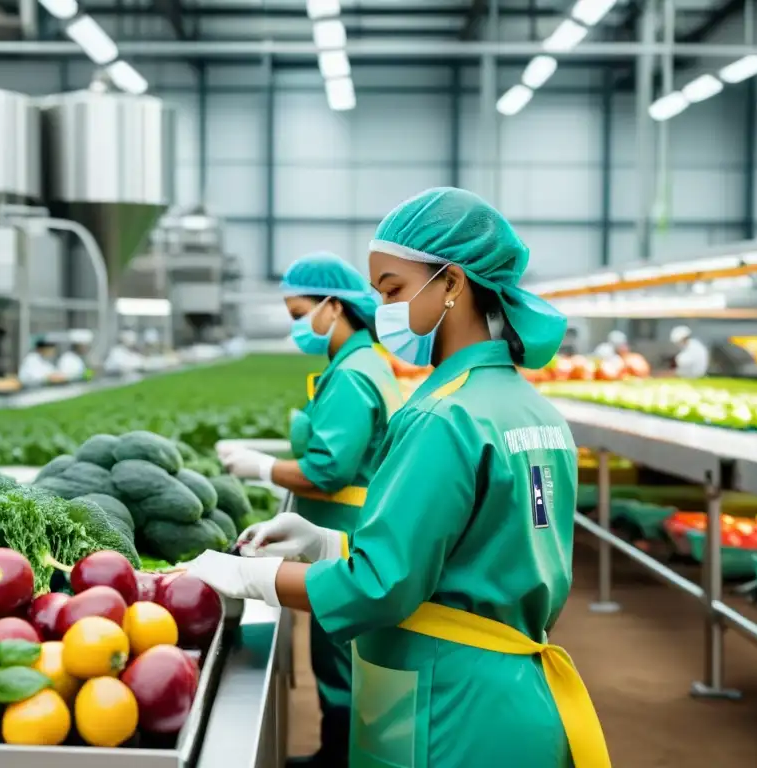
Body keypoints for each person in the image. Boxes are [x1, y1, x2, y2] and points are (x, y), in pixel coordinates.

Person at [185, 188, 611, 768]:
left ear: (453, 284)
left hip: (448, 708)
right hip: (509, 700)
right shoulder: (533, 411)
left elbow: (380, 588)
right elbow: (474, 552)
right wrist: (329, 544)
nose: (382, 309)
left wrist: (248, 576)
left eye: (393, 289)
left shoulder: (444, 415)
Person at [216, 251, 404, 767]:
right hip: (348, 524)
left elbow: (328, 471)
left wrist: (259, 467)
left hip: (345, 525)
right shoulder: (361, 362)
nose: (298, 326)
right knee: (343, 655)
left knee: (341, 657)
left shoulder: (352, 375)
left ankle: (337, 760)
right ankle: (335, 753)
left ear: (334, 307)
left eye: (301, 314)